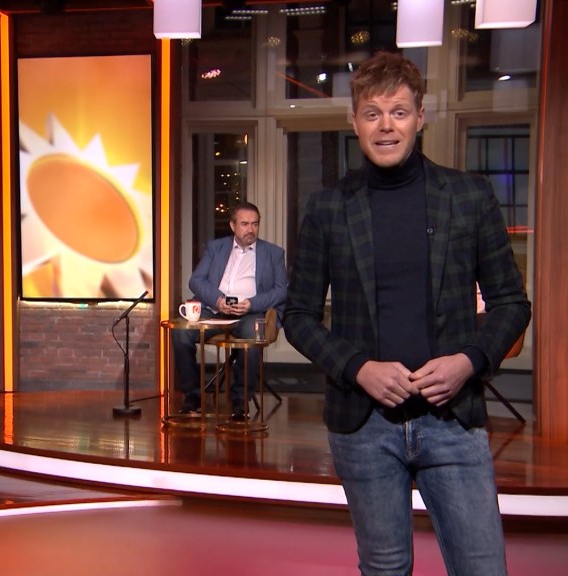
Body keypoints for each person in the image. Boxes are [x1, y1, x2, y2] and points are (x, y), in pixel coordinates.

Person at [284, 52, 531, 575]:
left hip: (453, 421)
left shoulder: (469, 196)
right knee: (385, 568)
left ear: (420, 116)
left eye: (398, 112)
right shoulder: (328, 207)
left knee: (483, 568)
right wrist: (358, 368)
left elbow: (512, 303)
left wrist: (468, 361)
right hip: (364, 426)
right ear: (354, 122)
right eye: (372, 113)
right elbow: (298, 313)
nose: (386, 126)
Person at [171, 201, 288, 419]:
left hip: (250, 313)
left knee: (253, 335)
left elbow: (281, 291)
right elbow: (196, 280)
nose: (250, 229)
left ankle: (239, 399)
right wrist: (217, 300)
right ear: (233, 226)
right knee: (180, 332)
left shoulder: (273, 253)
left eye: (255, 224)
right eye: (245, 224)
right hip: (214, 310)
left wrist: (252, 303)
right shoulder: (216, 248)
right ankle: (192, 395)